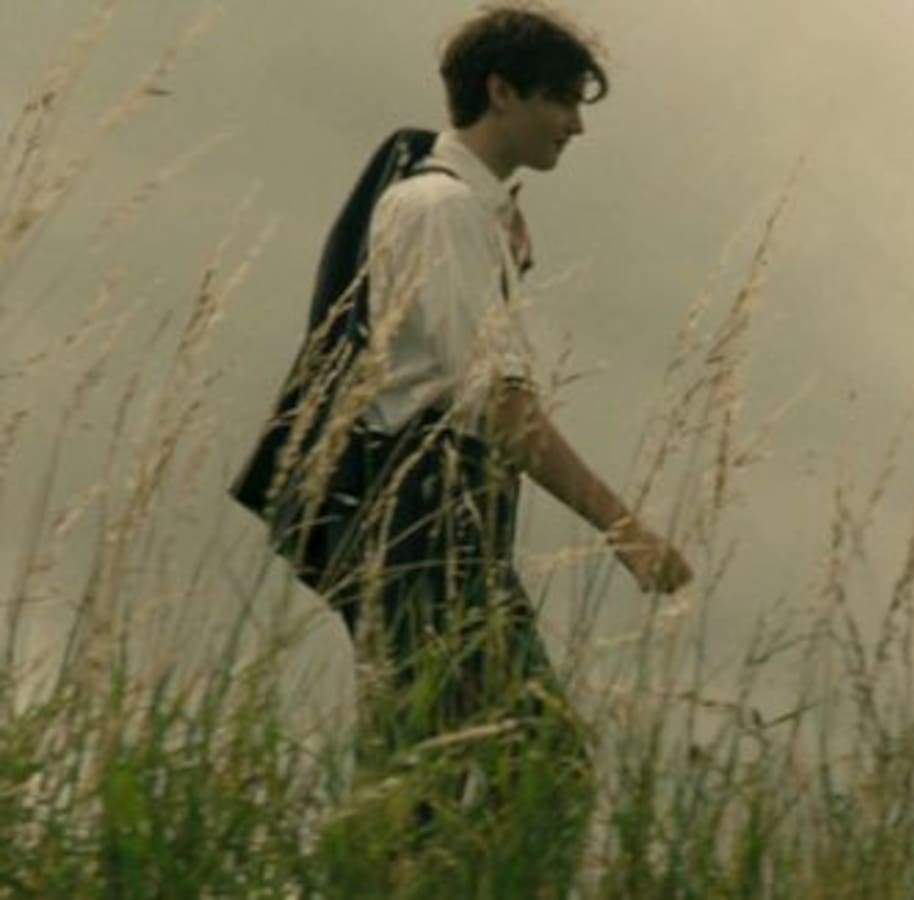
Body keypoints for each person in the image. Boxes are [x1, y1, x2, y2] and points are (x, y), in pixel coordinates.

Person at [232, 2, 692, 886]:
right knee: (539, 772)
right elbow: (497, 404)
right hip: (424, 523)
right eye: (562, 99)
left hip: (433, 525)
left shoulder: (459, 210)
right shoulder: (441, 210)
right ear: (502, 91)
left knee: (420, 783)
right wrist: (624, 527)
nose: (577, 124)